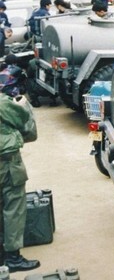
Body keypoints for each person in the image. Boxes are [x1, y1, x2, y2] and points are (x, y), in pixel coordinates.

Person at [0, 92, 41, 273]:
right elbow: (21, 117)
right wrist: (22, 103)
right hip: (6, 161)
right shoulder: (2, 102)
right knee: (13, 206)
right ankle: (13, 258)